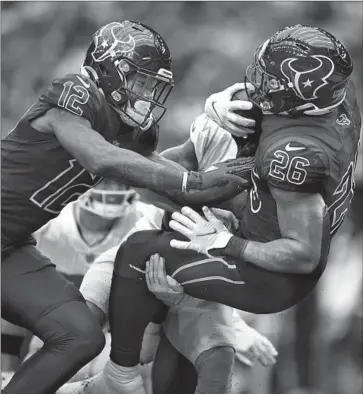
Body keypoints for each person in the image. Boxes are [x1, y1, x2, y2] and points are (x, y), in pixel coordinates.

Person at [106, 23, 362, 393]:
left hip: (271, 274)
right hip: (265, 213)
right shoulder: (338, 97)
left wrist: (226, 242)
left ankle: (120, 374)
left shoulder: (293, 157)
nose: (260, 86)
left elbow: (303, 254)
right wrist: (222, 101)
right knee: (186, 199)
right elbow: (276, 105)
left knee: (139, 250)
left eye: (270, 83)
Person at [1, 20, 251, 394]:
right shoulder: (75, 91)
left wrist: (229, 171)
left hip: (11, 245)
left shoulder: (122, 125)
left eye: (153, 86)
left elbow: (165, 174)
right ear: (109, 68)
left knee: (80, 335)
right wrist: (190, 183)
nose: (148, 94)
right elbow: (101, 158)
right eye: (142, 81)